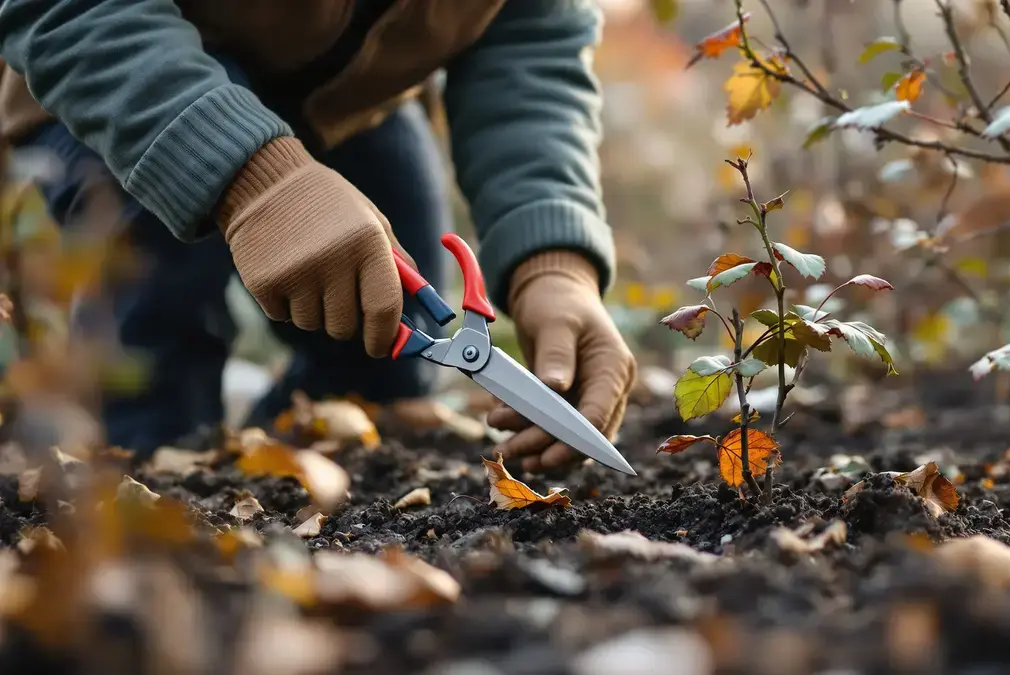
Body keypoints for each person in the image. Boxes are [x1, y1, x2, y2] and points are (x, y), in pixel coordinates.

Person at [0, 0, 637, 473]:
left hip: (345, 110)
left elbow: (529, 40)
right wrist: (258, 182)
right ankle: (141, 501)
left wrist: (554, 266)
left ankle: (263, 468)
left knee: (384, 358)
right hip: (122, 83)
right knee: (155, 330)